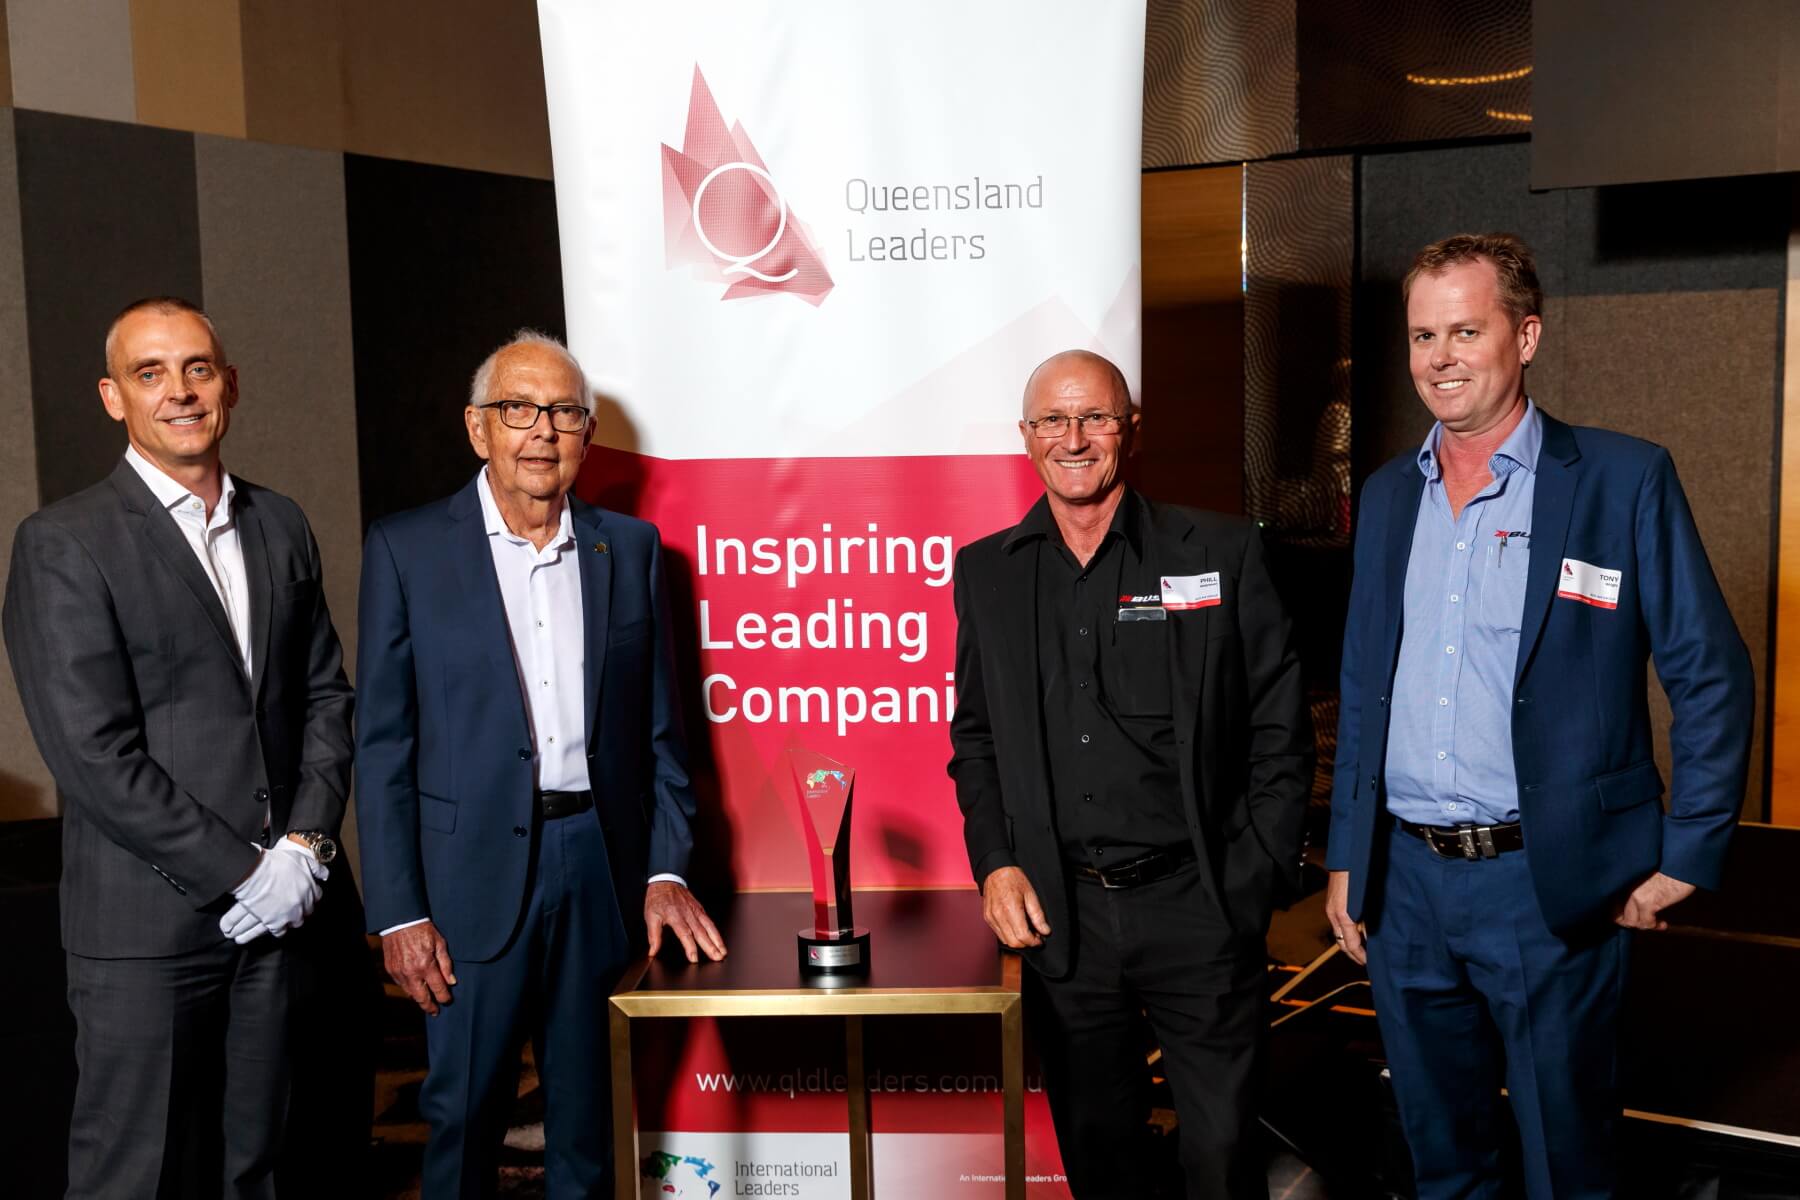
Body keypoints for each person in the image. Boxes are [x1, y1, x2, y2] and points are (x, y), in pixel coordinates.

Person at [1325, 233, 1754, 1198]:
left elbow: (1710, 674)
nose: (1440, 358)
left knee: (1567, 1162)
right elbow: (1364, 684)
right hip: (1405, 888)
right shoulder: (1389, 495)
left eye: (1465, 331)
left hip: (1548, 884)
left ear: (1525, 337)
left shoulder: (1620, 479)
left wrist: (1687, 853)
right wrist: (1350, 853)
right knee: (1442, 1161)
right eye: (1423, 336)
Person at [355, 330, 726, 1196]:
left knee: (589, 1125)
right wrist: (400, 910)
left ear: (586, 434)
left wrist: (664, 868)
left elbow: (663, 734)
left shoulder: (629, 548)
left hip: (598, 869)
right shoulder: (407, 550)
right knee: (463, 1122)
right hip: (465, 882)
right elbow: (383, 743)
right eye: (517, 409)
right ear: (477, 427)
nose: (541, 431)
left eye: (562, 412)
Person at [2, 296, 355, 1199]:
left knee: (264, 1170)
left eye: (198, 369)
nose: (181, 392)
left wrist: (305, 849)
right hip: (146, 933)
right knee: (138, 1179)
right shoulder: (63, 542)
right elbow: (92, 754)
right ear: (112, 397)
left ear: (229, 384)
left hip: (282, 922)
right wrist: (246, 872)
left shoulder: (280, 523)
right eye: (150, 373)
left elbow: (324, 698)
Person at [948, 349, 1312, 1199]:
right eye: (1053, 420)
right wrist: (996, 862)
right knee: (1101, 1160)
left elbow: (1279, 727)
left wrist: (1253, 876)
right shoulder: (988, 571)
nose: (1073, 439)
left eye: (1095, 418)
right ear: (1026, 436)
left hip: (1200, 904)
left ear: (1131, 430)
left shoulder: (1218, 551)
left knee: (1221, 1158)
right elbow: (977, 737)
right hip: (1062, 919)